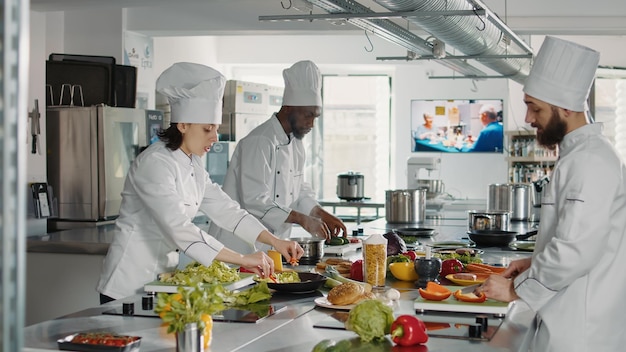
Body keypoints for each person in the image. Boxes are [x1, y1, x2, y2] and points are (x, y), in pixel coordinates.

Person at [97, 62, 303, 303]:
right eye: (207, 129)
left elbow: (228, 211)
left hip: (161, 281)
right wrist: (243, 258)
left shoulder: (192, 163)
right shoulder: (155, 163)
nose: (215, 138)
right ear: (182, 125)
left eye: (215, 129)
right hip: (127, 285)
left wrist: (274, 241)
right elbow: (179, 228)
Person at [480, 37, 626, 351]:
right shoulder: (580, 155)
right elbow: (585, 238)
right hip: (568, 317)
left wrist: (514, 290)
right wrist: (534, 262)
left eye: (535, 107)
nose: (529, 118)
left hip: (581, 330)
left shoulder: (589, 161)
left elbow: (575, 250)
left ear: (565, 107)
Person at [209, 60, 347, 254]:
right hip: (237, 245)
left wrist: (321, 214)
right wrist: (302, 219)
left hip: (272, 245)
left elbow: (299, 191)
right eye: (308, 115)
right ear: (289, 107)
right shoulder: (259, 141)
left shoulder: (297, 144)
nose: (312, 124)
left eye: (315, 117)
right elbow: (255, 199)